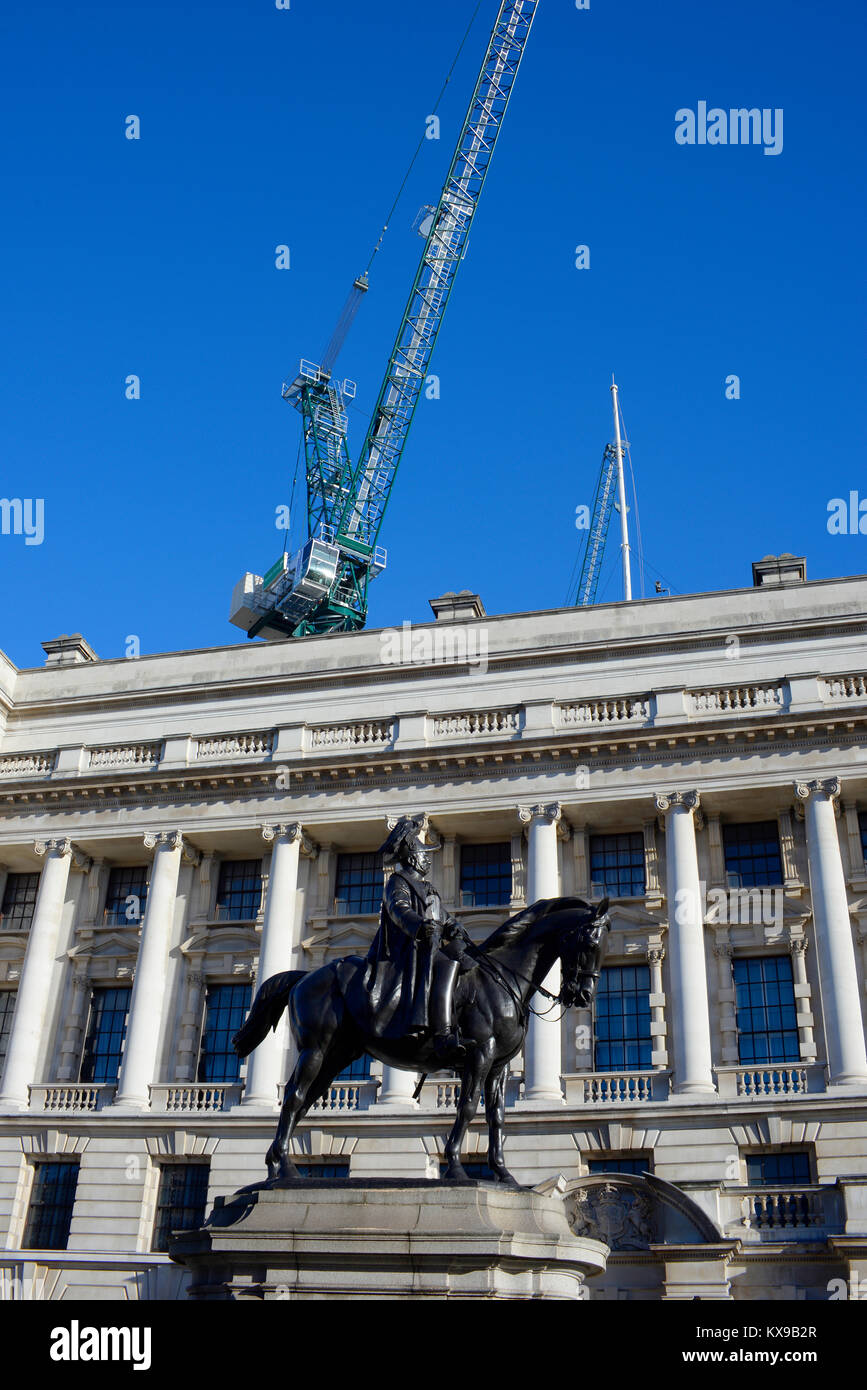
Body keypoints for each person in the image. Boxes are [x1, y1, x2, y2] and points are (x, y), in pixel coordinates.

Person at [364, 815, 471, 1062]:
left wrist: (453, 926)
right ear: (413, 858)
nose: (428, 859)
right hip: (408, 949)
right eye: (425, 854)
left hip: (428, 944)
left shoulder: (427, 888)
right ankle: (442, 1034)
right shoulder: (398, 882)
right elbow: (399, 909)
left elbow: (440, 915)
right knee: (448, 964)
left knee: (464, 956)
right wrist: (420, 925)